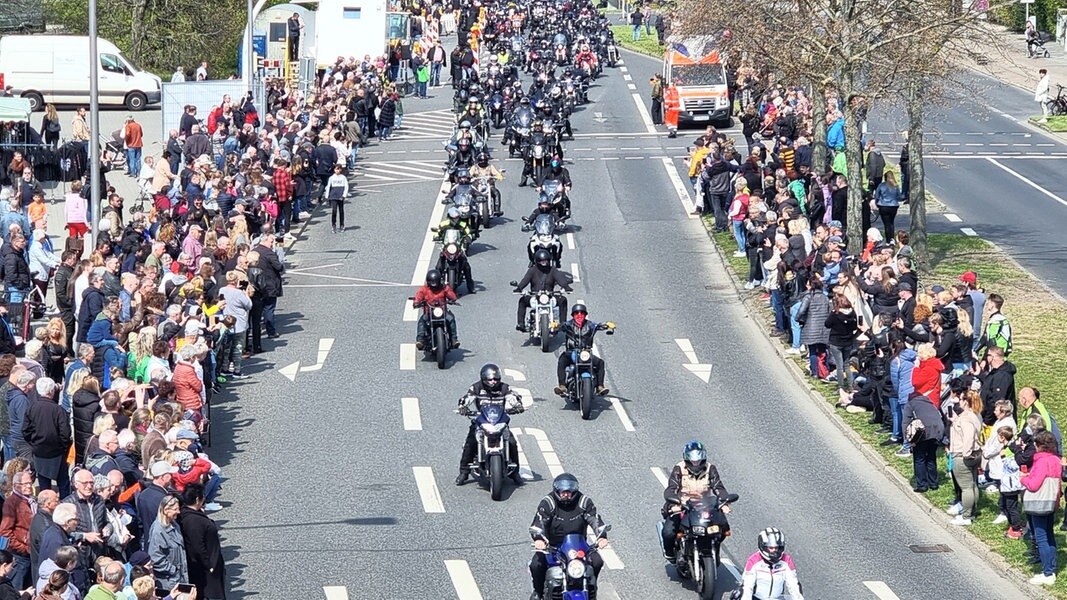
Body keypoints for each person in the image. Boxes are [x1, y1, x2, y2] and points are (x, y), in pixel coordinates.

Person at [528, 473, 608, 600]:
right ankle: (538, 592)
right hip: (552, 548)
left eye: (569, 492)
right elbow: (539, 522)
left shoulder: (583, 502)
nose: (566, 494)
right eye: (563, 492)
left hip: (578, 548)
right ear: (557, 491)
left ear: (574, 491)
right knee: (536, 565)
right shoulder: (548, 503)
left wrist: (602, 536)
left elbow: (595, 519)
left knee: (597, 561)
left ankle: (592, 589)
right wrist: (539, 539)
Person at [660, 441, 732, 561]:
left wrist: (724, 502)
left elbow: (718, 487)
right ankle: (671, 554)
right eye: (693, 461)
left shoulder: (710, 468)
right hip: (683, 504)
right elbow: (671, 489)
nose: (696, 464)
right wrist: (675, 503)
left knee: (723, 527)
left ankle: (714, 548)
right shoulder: (679, 468)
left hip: (705, 504)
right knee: (668, 532)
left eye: (698, 461)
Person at [454, 364, 523, 486]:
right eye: (490, 379)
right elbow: (467, 398)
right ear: (483, 379)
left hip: (499, 422)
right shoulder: (476, 387)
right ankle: (464, 472)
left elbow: (513, 396)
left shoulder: (504, 388)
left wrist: (518, 405)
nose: (493, 382)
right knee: (470, 443)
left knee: (512, 443)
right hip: (481, 422)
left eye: (495, 379)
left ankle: (515, 473)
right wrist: (462, 407)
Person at [1021, 431, 1061, 586]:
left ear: (1039, 445)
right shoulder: (1056, 460)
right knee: (1050, 534)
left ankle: (1047, 573)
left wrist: (1023, 478)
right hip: (1050, 502)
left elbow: (1034, 484)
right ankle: (1051, 567)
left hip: (1038, 502)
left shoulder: (1041, 461)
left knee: (1041, 537)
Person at [553, 304, 615, 398]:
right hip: (571, 352)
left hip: (585, 353)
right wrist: (555, 326)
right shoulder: (568, 325)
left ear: (585, 315)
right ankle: (562, 386)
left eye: (582, 313)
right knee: (561, 360)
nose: (579, 315)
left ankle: (600, 386)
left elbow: (598, 326)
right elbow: (560, 326)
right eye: (577, 313)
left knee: (600, 363)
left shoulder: (590, 325)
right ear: (573, 315)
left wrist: (608, 325)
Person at [177, 484, 225, 599]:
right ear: (198, 499)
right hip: (205, 570)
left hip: (205, 566)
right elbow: (198, 546)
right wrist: (209, 565)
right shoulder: (193, 521)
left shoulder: (189, 514)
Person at [735, 528, 804, 600]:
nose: (774, 551)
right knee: (737, 594)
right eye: (771, 548)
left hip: (777, 598)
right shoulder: (753, 561)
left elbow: (793, 585)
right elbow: (748, 586)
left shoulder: (787, 560)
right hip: (756, 598)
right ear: (763, 547)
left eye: (776, 548)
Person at [513, 249, 573, 332]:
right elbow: (525, 280)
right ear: (537, 261)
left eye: (545, 261)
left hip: (550, 297)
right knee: (522, 301)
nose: (544, 263)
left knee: (563, 300)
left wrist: (566, 287)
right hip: (534, 297)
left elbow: (560, 279)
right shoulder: (532, 270)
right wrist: (519, 288)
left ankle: (563, 323)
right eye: (541, 261)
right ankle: (521, 323)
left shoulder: (553, 270)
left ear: (549, 260)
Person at [0, 469, 36, 588]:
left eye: (30, 483)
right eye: (25, 484)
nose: (29, 486)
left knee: (30, 587)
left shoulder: (31, 500)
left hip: (32, 553)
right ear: (16, 486)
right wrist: (23, 548)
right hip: (20, 556)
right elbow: (5, 532)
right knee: (17, 588)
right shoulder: (12, 503)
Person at [413, 269, 459, 351]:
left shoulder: (444, 288)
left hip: (442, 312)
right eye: (432, 283)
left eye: (435, 282)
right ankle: (420, 340)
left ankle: (454, 339)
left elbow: (452, 296)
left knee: (451, 319)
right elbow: (419, 296)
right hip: (429, 312)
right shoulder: (424, 289)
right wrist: (417, 302)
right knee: (422, 321)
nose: (434, 285)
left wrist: (452, 299)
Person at [147, 496, 186, 590]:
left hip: (179, 577)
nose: (179, 512)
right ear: (166, 510)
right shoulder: (158, 531)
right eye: (175, 509)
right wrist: (173, 570)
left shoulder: (174, 525)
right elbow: (155, 558)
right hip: (168, 581)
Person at [325, 164, 349, 234]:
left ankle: (342, 224)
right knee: (334, 210)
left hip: (340, 196)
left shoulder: (343, 178)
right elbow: (328, 187)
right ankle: (333, 225)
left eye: (338, 169)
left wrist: (344, 195)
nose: (337, 170)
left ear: (341, 170)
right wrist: (327, 196)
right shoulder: (331, 178)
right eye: (335, 169)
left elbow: (346, 186)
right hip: (333, 196)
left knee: (341, 211)